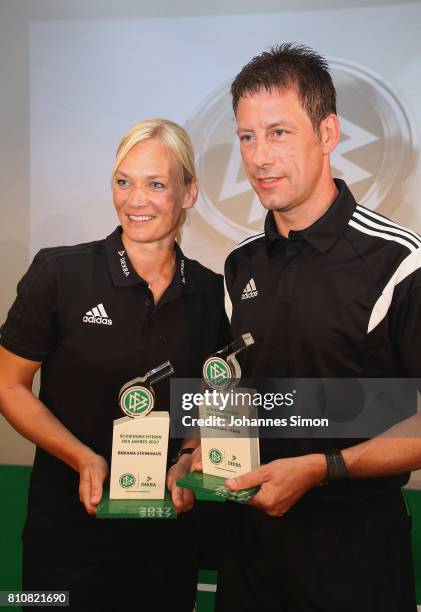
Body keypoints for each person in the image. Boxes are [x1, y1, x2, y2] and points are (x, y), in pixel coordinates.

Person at [216, 44, 421, 611]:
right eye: (247, 136)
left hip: (354, 555)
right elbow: (235, 394)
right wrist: (195, 453)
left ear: (327, 133)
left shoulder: (399, 263)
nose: (259, 157)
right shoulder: (240, 264)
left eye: (278, 132)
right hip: (250, 549)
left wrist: (322, 468)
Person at [0, 118, 230, 611]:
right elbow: (10, 386)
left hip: (164, 539)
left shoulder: (212, 292)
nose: (135, 200)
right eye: (123, 182)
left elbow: (207, 405)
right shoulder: (59, 273)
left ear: (189, 193)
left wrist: (191, 458)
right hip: (64, 535)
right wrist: (82, 457)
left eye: (156, 184)